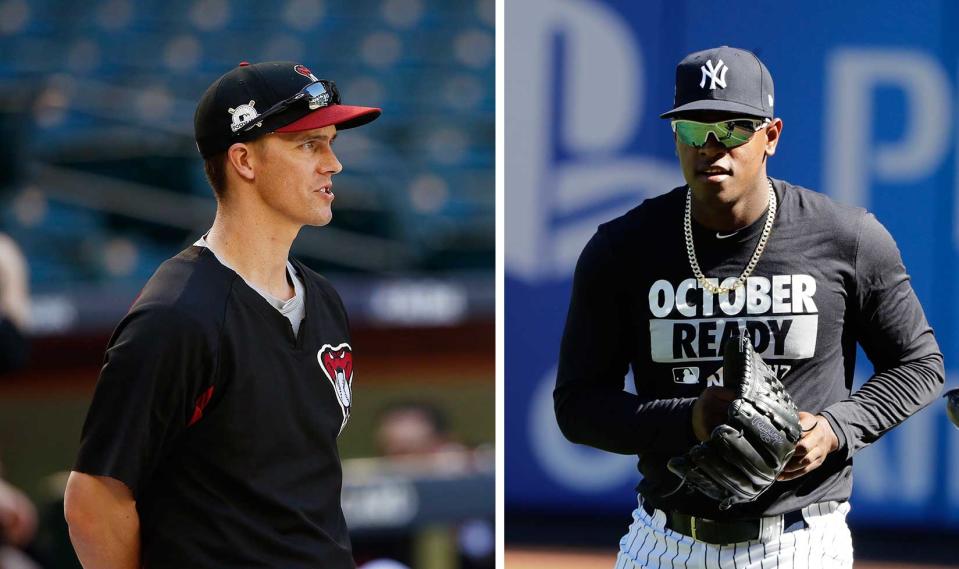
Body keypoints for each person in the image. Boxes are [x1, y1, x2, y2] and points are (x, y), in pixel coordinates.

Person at [554, 46, 944, 568]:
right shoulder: (622, 249)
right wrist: (688, 419)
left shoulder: (846, 237)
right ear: (675, 138)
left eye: (734, 128)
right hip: (666, 539)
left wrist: (835, 429)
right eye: (694, 129)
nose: (712, 147)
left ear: (771, 136)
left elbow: (920, 365)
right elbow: (577, 406)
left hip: (799, 539)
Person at [63, 61, 381, 568]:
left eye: (331, 143)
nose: (332, 164)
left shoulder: (322, 298)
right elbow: (93, 500)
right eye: (308, 145)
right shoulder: (177, 316)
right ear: (244, 161)